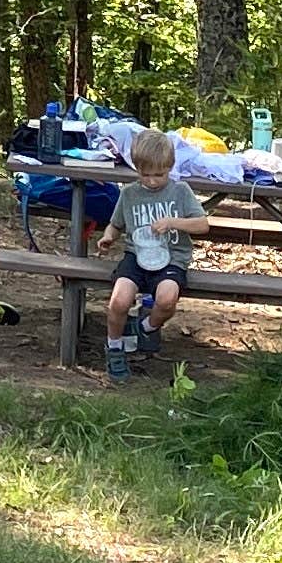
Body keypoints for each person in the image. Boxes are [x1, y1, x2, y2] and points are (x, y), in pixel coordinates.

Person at [101, 123, 207, 383]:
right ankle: (114, 348)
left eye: (158, 175)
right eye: (145, 174)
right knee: (119, 301)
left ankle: (144, 328)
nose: (151, 181)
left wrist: (173, 222)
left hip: (171, 259)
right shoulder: (130, 194)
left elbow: (202, 225)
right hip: (135, 257)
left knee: (167, 299)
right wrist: (108, 237)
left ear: (170, 167)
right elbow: (116, 224)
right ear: (137, 169)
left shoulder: (180, 192)